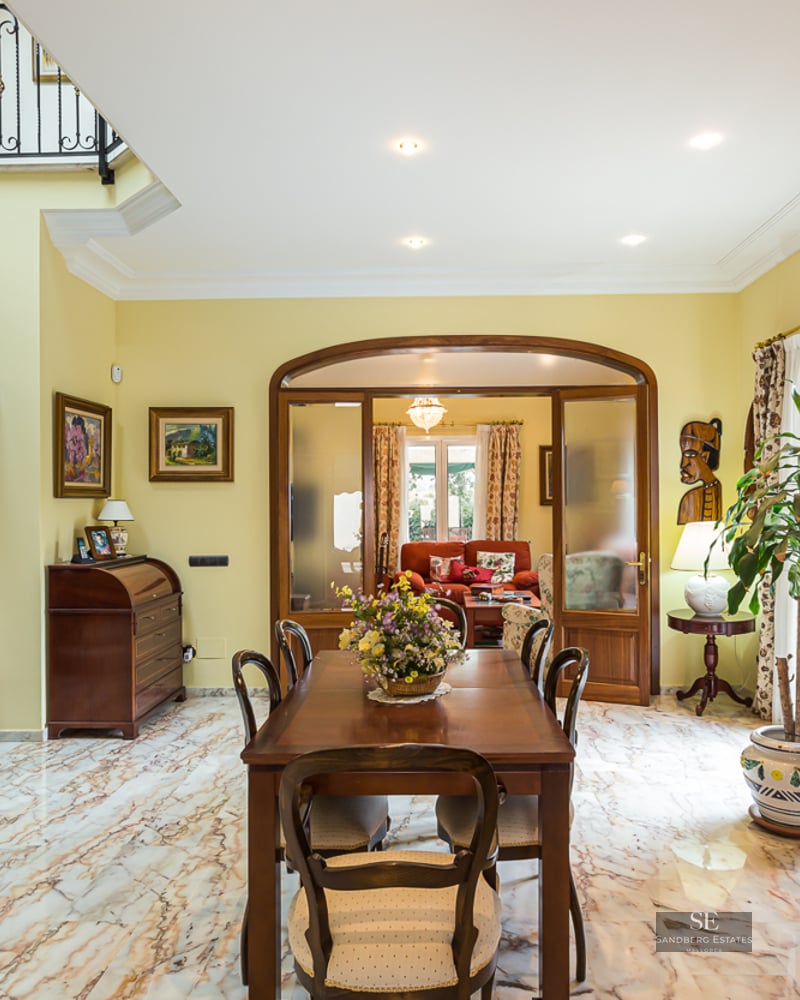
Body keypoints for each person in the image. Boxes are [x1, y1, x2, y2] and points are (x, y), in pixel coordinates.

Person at [677, 418, 722, 523]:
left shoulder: (691, 499)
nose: (683, 464)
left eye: (689, 455)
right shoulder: (687, 500)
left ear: (705, 457)